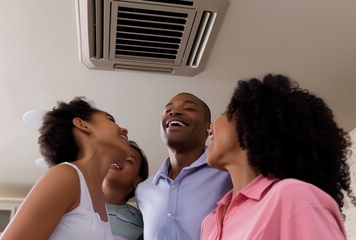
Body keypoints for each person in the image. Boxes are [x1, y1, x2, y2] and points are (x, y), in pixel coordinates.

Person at [201, 74, 356, 239]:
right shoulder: (209, 223)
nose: (211, 126)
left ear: (248, 126)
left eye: (225, 112)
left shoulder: (293, 197)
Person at [1, 97, 130, 240]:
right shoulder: (66, 175)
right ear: (83, 125)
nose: (124, 129)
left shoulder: (101, 199)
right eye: (110, 120)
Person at [135, 92, 233, 240]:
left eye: (189, 108)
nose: (174, 112)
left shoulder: (229, 175)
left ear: (209, 129)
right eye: (168, 110)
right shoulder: (143, 190)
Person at [103, 140, 149, 240]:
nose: (118, 159)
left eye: (129, 160)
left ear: (137, 182)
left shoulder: (141, 222)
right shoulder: (72, 201)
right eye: (115, 155)